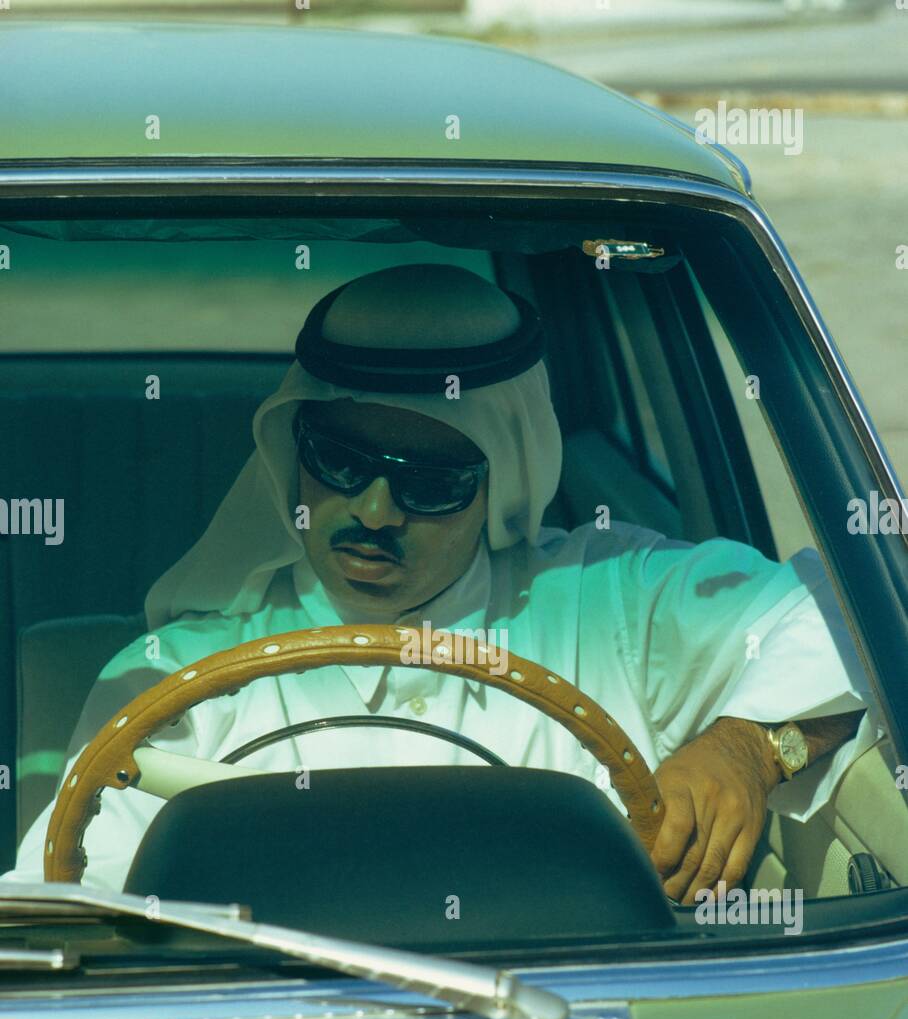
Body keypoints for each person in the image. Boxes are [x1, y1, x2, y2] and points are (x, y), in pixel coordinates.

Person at [4, 263, 875, 904]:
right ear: (291, 458)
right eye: (341, 464)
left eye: (429, 480)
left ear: (506, 478)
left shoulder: (609, 602)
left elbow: (856, 605)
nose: (374, 510)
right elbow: (70, 907)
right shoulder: (173, 681)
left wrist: (750, 750)